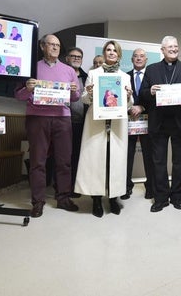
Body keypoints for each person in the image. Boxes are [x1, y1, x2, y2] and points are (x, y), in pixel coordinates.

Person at [15, 34, 81, 218]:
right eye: (51, 44)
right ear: (43, 46)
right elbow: (18, 96)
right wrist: (27, 88)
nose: (54, 48)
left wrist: (75, 91)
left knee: (64, 161)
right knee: (37, 161)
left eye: (57, 45)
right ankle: (37, 202)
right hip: (37, 117)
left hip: (62, 117)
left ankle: (63, 198)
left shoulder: (68, 70)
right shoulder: (31, 67)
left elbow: (75, 97)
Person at [139, 35, 181, 212]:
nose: (174, 49)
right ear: (162, 50)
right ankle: (160, 198)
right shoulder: (151, 70)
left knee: (180, 161)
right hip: (158, 122)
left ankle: (177, 197)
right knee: (158, 161)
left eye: (176, 46)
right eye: (170, 47)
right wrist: (150, 90)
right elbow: (142, 93)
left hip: (180, 122)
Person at [75, 40, 132, 217]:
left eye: (114, 50)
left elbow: (129, 104)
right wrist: (90, 93)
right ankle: (97, 200)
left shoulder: (125, 76)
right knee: (95, 161)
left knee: (115, 161)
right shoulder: (93, 73)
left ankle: (113, 198)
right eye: (108, 50)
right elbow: (84, 99)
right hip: (96, 122)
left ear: (119, 54)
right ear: (104, 53)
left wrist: (129, 96)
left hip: (117, 124)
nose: (111, 52)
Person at [123, 48, 155, 200]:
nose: (139, 58)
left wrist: (142, 107)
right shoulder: (124, 77)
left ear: (146, 59)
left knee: (149, 155)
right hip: (128, 121)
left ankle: (150, 187)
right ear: (132, 59)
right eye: (136, 56)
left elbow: (156, 100)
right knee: (127, 155)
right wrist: (130, 107)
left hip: (148, 121)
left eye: (142, 56)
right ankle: (126, 186)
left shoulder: (153, 76)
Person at [65, 47, 88, 198]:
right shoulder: (61, 73)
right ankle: (63, 187)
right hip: (64, 120)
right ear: (67, 58)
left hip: (82, 122)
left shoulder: (87, 77)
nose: (76, 58)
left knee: (78, 156)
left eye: (79, 56)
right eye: (73, 56)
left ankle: (75, 186)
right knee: (63, 156)